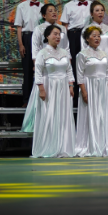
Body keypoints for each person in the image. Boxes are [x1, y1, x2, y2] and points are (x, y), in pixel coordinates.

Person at [22, 4, 69, 133]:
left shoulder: (62, 29)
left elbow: (66, 48)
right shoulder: (39, 29)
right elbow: (35, 48)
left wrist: (66, 63)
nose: (54, 13)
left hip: (59, 64)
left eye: (55, 11)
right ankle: (42, 122)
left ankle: (58, 124)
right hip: (46, 65)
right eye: (50, 11)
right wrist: (36, 64)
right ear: (44, 15)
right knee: (44, 93)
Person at [30, 25, 75, 158]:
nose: (57, 36)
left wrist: (71, 85)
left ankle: (63, 146)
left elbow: (69, 69)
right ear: (47, 36)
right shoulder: (42, 53)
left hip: (63, 87)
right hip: (49, 86)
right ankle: (48, 146)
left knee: (63, 115)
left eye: (59, 34)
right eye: (55, 34)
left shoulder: (64, 52)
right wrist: (41, 89)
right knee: (49, 114)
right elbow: (38, 72)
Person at [74, 25, 108, 157]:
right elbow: (80, 75)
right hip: (89, 85)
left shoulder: (104, 54)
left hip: (102, 86)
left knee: (102, 114)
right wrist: (84, 91)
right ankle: (88, 144)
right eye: (94, 36)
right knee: (89, 114)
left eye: (98, 36)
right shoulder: (82, 54)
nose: (97, 38)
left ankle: (104, 145)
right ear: (87, 38)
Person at [82, 1, 108, 123]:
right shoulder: (86, 29)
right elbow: (83, 49)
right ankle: (95, 120)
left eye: (102, 10)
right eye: (97, 10)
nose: (100, 12)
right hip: (93, 65)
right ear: (91, 13)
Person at [61, 0, 92, 106]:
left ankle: (89, 94)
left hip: (88, 36)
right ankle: (74, 98)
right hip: (73, 36)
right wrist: (65, 43)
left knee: (88, 63)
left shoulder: (92, 4)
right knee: (74, 64)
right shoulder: (68, 6)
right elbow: (64, 26)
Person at [15, 0, 42, 104]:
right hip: (27, 37)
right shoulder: (21, 6)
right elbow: (19, 27)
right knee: (27, 71)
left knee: (40, 70)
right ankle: (26, 100)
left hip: (40, 38)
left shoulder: (43, 7)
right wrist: (21, 44)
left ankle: (39, 99)